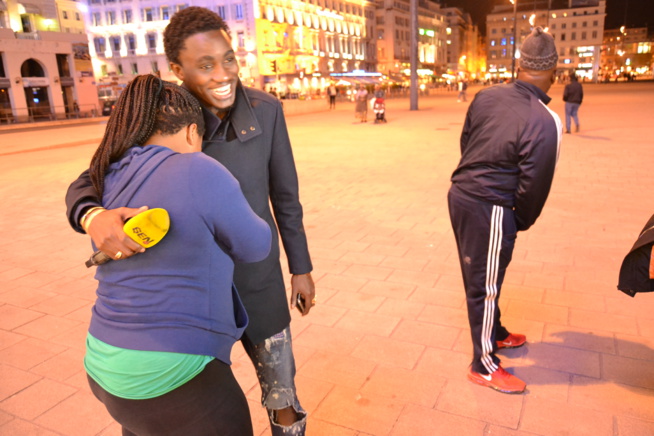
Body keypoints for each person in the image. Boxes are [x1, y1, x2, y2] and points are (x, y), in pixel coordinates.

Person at [65, 7, 315, 435]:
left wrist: (302, 268)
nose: (222, 74)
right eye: (205, 65)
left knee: (282, 396)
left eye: (229, 59)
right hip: (194, 300)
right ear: (177, 69)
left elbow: (286, 196)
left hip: (258, 286)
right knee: (196, 403)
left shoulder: (267, 109)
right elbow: (92, 177)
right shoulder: (158, 113)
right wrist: (92, 214)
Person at [83, 74, 272, 435]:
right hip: (171, 373)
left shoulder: (105, 173)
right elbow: (256, 245)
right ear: (190, 133)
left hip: (104, 361)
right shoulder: (198, 168)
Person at [447, 27, 562, 394]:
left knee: (485, 274)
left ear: (519, 65)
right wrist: (516, 220)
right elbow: (535, 185)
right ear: (554, 72)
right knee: (484, 284)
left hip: (461, 195)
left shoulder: (485, 95)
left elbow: (466, 142)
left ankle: (494, 331)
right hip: (491, 205)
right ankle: (483, 363)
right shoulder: (545, 120)